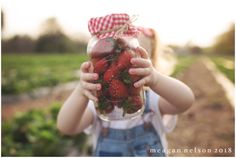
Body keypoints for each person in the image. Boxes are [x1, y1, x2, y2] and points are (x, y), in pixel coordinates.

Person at [57, 14, 194, 156]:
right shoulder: (98, 103)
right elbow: (66, 127)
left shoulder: (153, 100)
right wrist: (81, 91)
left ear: (150, 64)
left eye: (134, 61)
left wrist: (156, 80)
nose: (120, 68)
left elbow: (186, 101)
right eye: (114, 59)